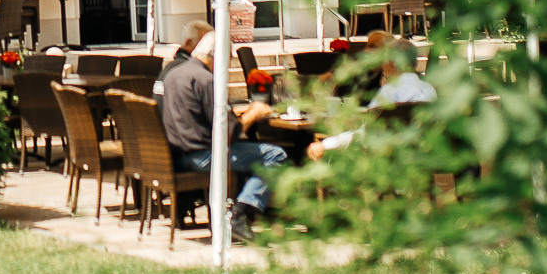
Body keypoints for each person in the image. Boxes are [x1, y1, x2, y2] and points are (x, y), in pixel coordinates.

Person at [158, 31, 291, 243]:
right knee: (276, 155)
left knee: (255, 153)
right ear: (217, 57)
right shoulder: (207, 80)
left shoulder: (174, 74)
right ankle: (240, 215)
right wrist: (253, 113)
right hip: (204, 155)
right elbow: (229, 133)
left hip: (178, 153)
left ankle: (243, 209)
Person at [308, 31, 436, 159]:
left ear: (391, 63)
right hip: (423, 159)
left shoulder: (389, 92)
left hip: (389, 162)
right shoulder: (429, 89)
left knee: (321, 150)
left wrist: (326, 144)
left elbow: (365, 134)